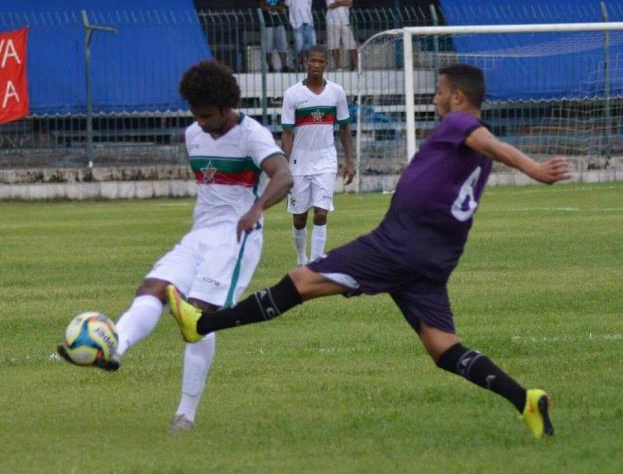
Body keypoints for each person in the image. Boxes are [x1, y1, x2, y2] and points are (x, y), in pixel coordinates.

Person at [166, 64, 570, 438]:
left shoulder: (461, 124)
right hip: (434, 257)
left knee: (301, 281)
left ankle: (200, 325)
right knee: (442, 347)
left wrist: (533, 170)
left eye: (439, 92)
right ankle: (526, 400)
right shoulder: (470, 148)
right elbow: (485, 147)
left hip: (400, 244)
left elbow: (485, 139)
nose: (434, 99)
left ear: (459, 97)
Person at [57, 60, 293, 432]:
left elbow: (284, 175)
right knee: (152, 288)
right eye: (194, 114)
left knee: (197, 317)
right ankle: (112, 350)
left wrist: (257, 208)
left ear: (226, 106)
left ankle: (185, 414)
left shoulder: (253, 135)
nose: (199, 122)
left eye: (206, 115)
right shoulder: (192, 134)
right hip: (199, 235)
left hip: (236, 238)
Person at [280, 45, 355, 265]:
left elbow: (344, 128)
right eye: (312, 61)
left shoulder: (336, 92)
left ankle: (315, 264)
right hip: (299, 160)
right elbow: (287, 133)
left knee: (321, 214)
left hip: (326, 159)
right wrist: (284, 166)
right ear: (305, 62)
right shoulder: (293, 94)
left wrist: (349, 161)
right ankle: (301, 258)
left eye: (320, 61)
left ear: (326, 64)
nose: (316, 65)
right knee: (300, 218)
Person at [259, 0, 291, 72]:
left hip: (279, 22)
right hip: (267, 23)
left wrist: (272, 7)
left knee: (283, 46)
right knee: (268, 47)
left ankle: (284, 66)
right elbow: (262, 6)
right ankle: (270, 66)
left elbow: (283, 7)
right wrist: (276, 7)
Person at [326, 0, 358, 71]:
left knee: (352, 45)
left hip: (345, 22)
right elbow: (331, 5)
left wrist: (337, 2)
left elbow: (349, 3)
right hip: (332, 22)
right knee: (334, 46)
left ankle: (356, 66)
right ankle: (338, 67)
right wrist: (343, 2)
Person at [285, 0, 316, 71]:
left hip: (309, 22)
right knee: (299, 46)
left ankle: (303, 64)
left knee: (311, 46)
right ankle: (297, 64)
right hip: (297, 23)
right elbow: (287, 3)